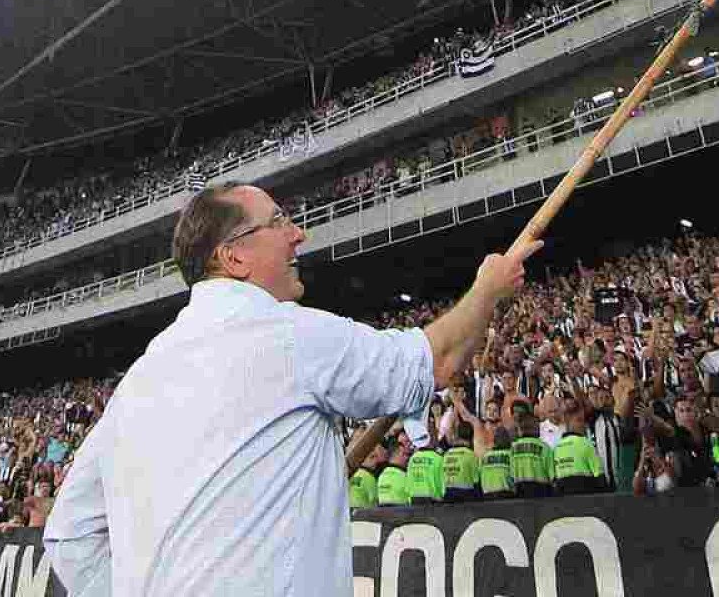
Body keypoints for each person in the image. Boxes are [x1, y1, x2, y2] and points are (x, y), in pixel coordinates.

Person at [44, 183, 540, 597]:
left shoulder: (138, 381)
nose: (298, 234)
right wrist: (487, 290)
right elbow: (437, 361)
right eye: (278, 222)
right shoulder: (285, 335)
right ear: (233, 255)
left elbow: (69, 535)